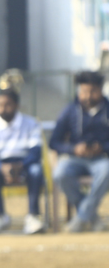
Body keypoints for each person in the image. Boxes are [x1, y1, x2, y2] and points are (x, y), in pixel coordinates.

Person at [49, 70, 109, 232]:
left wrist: (102, 147)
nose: (88, 96)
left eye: (92, 91)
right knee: (59, 174)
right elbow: (54, 142)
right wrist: (73, 148)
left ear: (101, 90)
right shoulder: (70, 110)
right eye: (84, 91)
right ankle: (91, 216)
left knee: (107, 171)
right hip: (74, 158)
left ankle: (81, 218)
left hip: (101, 158)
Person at [0, 88, 44, 235]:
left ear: (16, 105)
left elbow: (36, 153)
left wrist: (20, 166)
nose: (2, 109)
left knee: (36, 171)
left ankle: (33, 216)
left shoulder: (32, 123)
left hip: (25, 163)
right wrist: (2, 167)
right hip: (1, 165)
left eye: (7, 104)